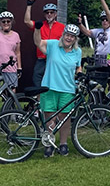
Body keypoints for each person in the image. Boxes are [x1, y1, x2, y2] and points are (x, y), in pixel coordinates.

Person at [33, 23, 82, 157]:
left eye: (72, 36)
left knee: (65, 118)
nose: (69, 38)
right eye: (67, 35)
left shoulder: (77, 51)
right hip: (50, 86)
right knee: (49, 117)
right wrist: (37, 29)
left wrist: (80, 73)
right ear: (63, 35)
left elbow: (78, 66)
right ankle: (49, 143)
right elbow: (38, 42)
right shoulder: (53, 45)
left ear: (75, 39)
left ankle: (63, 143)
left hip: (67, 88)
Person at [24, 0, 65, 86]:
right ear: (44, 14)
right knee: (37, 79)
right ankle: (39, 99)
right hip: (41, 59)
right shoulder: (40, 25)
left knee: (54, 81)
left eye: (52, 12)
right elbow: (27, 21)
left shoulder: (62, 27)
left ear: (56, 14)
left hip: (55, 59)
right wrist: (29, 5)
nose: (49, 14)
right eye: (47, 12)